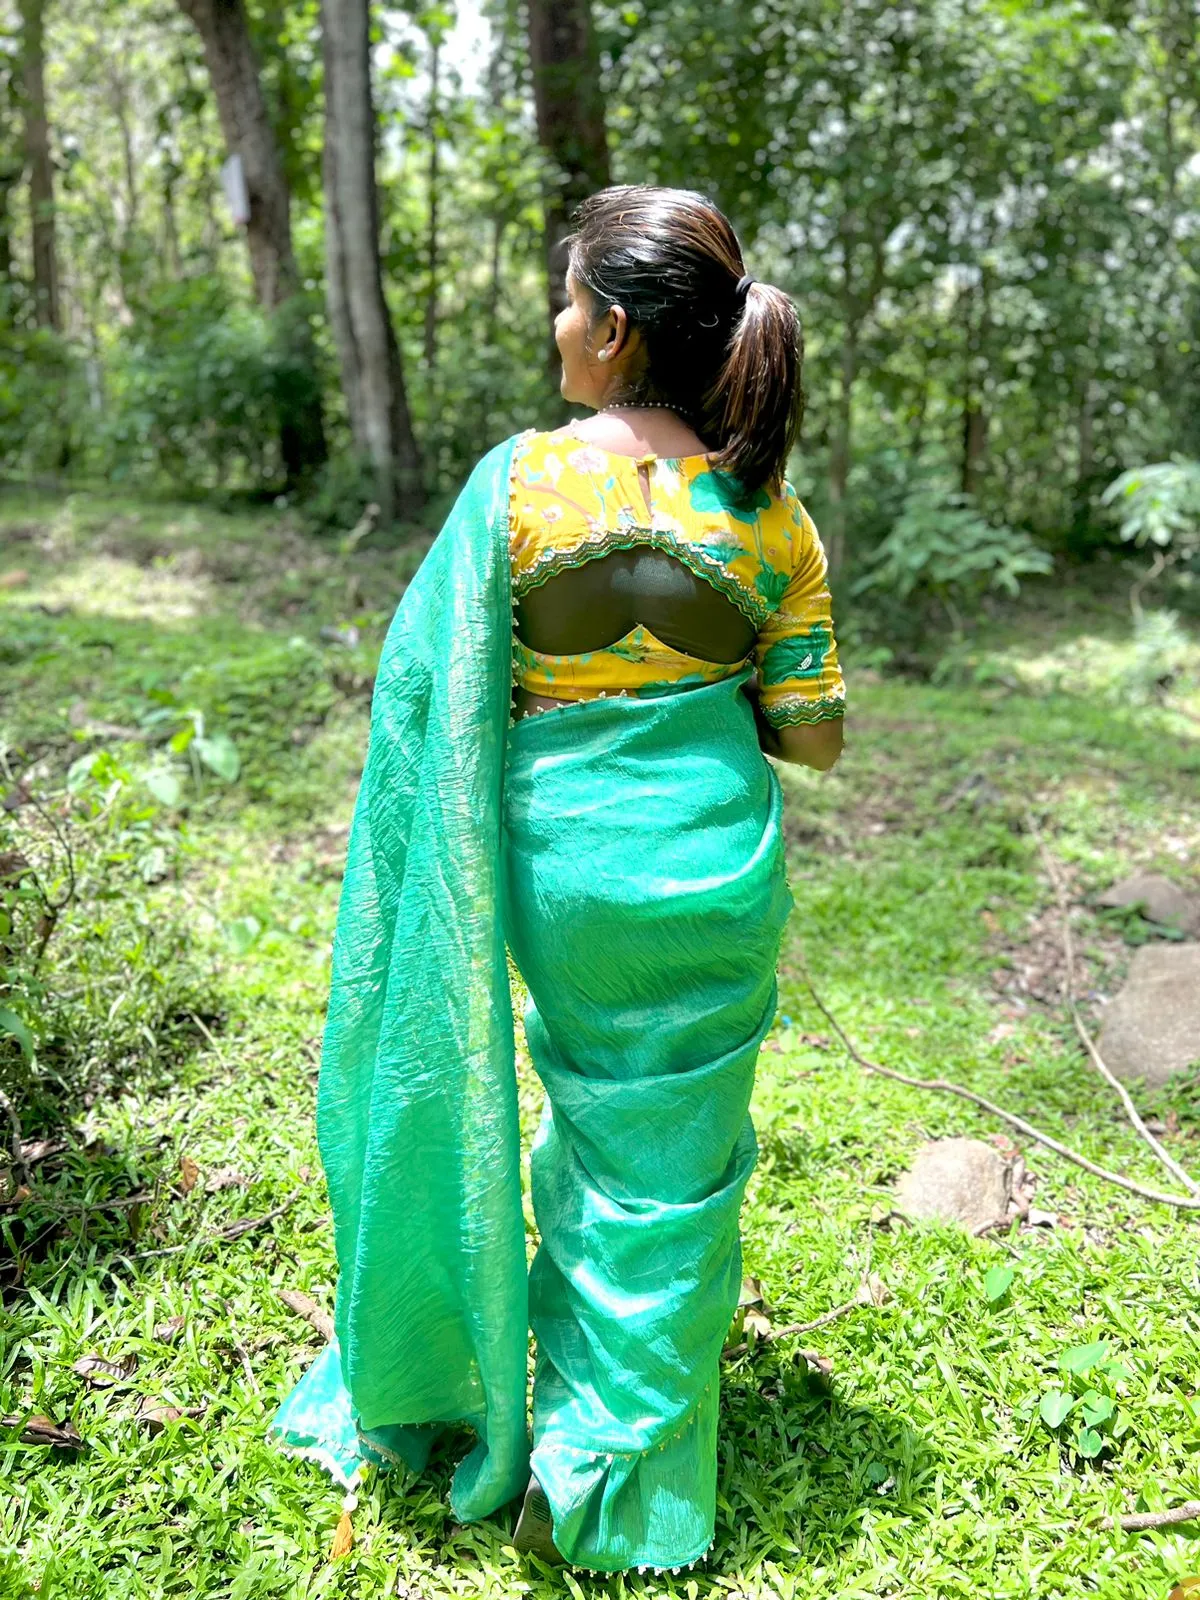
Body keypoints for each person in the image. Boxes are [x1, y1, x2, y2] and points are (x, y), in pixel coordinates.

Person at [270, 184, 846, 1578]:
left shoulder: (518, 487)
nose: (554, 320)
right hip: (712, 869)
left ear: (615, 325)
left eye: (569, 296)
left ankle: (469, 1398)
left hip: (558, 861)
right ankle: (620, 1465)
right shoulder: (775, 520)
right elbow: (815, 739)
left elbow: (432, 692)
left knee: (543, 1112)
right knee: (669, 1165)